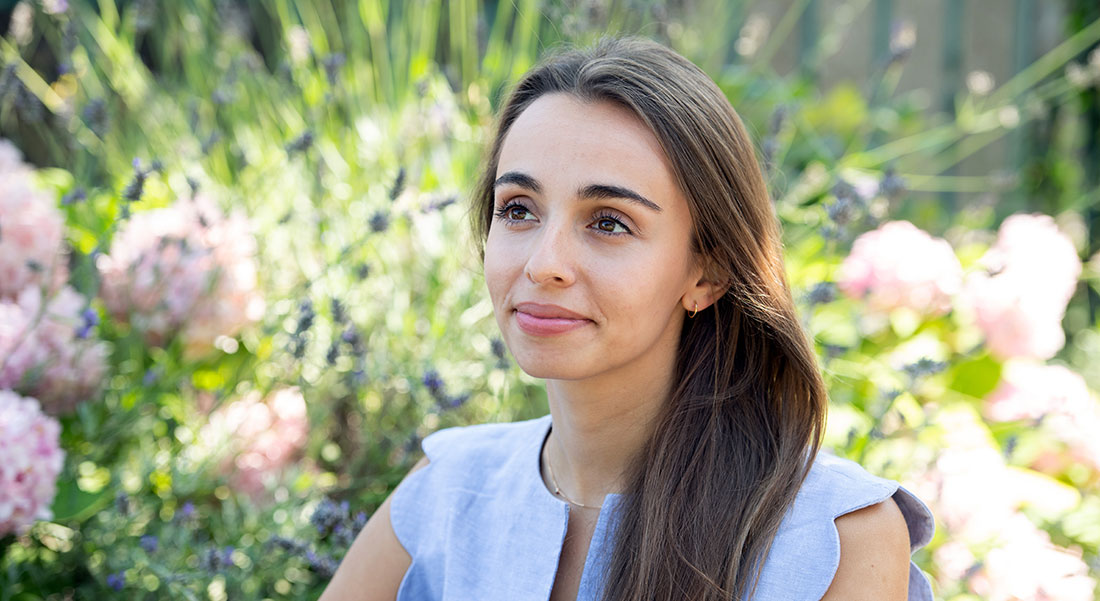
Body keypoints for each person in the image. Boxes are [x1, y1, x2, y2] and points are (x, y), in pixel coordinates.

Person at [321, 36, 934, 601]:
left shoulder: (836, 536)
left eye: (609, 222)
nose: (544, 264)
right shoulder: (448, 489)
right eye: (517, 210)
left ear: (708, 272)